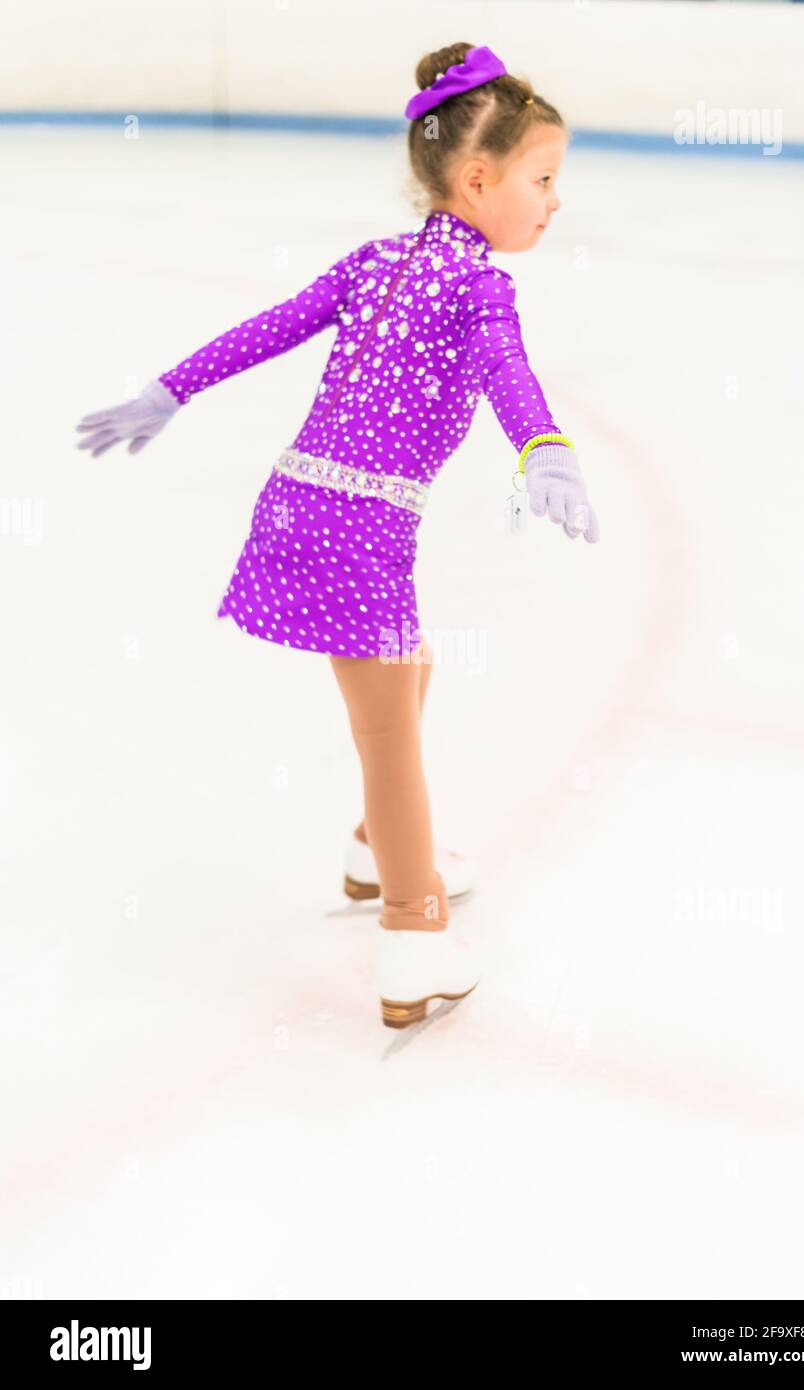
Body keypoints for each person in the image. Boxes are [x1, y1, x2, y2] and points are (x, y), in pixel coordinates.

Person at [75, 42, 600, 1030]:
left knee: (408, 673)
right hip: (355, 526)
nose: (552, 199)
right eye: (542, 179)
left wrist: (167, 390)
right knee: (389, 735)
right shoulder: (479, 286)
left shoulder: (375, 263)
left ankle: (374, 848)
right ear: (477, 178)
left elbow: (267, 326)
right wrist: (544, 446)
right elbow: (507, 373)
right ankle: (414, 932)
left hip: (295, 501)